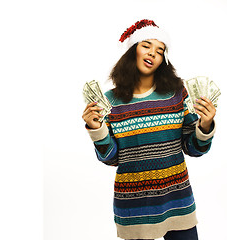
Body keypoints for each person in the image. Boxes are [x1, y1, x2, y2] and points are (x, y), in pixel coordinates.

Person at [82, 19, 216, 240]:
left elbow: (194, 149)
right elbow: (112, 159)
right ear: (132, 50)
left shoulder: (177, 93)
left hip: (178, 202)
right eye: (146, 45)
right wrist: (97, 130)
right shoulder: (110, 102)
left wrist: (205, 124)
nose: (153, 53)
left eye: (160, 50)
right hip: (133, 207)